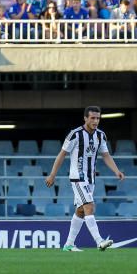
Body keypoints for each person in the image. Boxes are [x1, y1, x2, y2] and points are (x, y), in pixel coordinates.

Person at [45, 106, 126, 252]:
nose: (96, 121)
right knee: (89, 206)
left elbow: (105, 155)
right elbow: (62, 154)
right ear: (85, 118)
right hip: (77, 178)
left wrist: (116, 171)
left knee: (81, 211)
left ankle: (68, 244)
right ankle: (99, 241)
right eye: (93, 118)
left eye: (98, 118)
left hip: (90, 179)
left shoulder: (100, 135)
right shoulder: (75, 135)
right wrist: (52, 174)